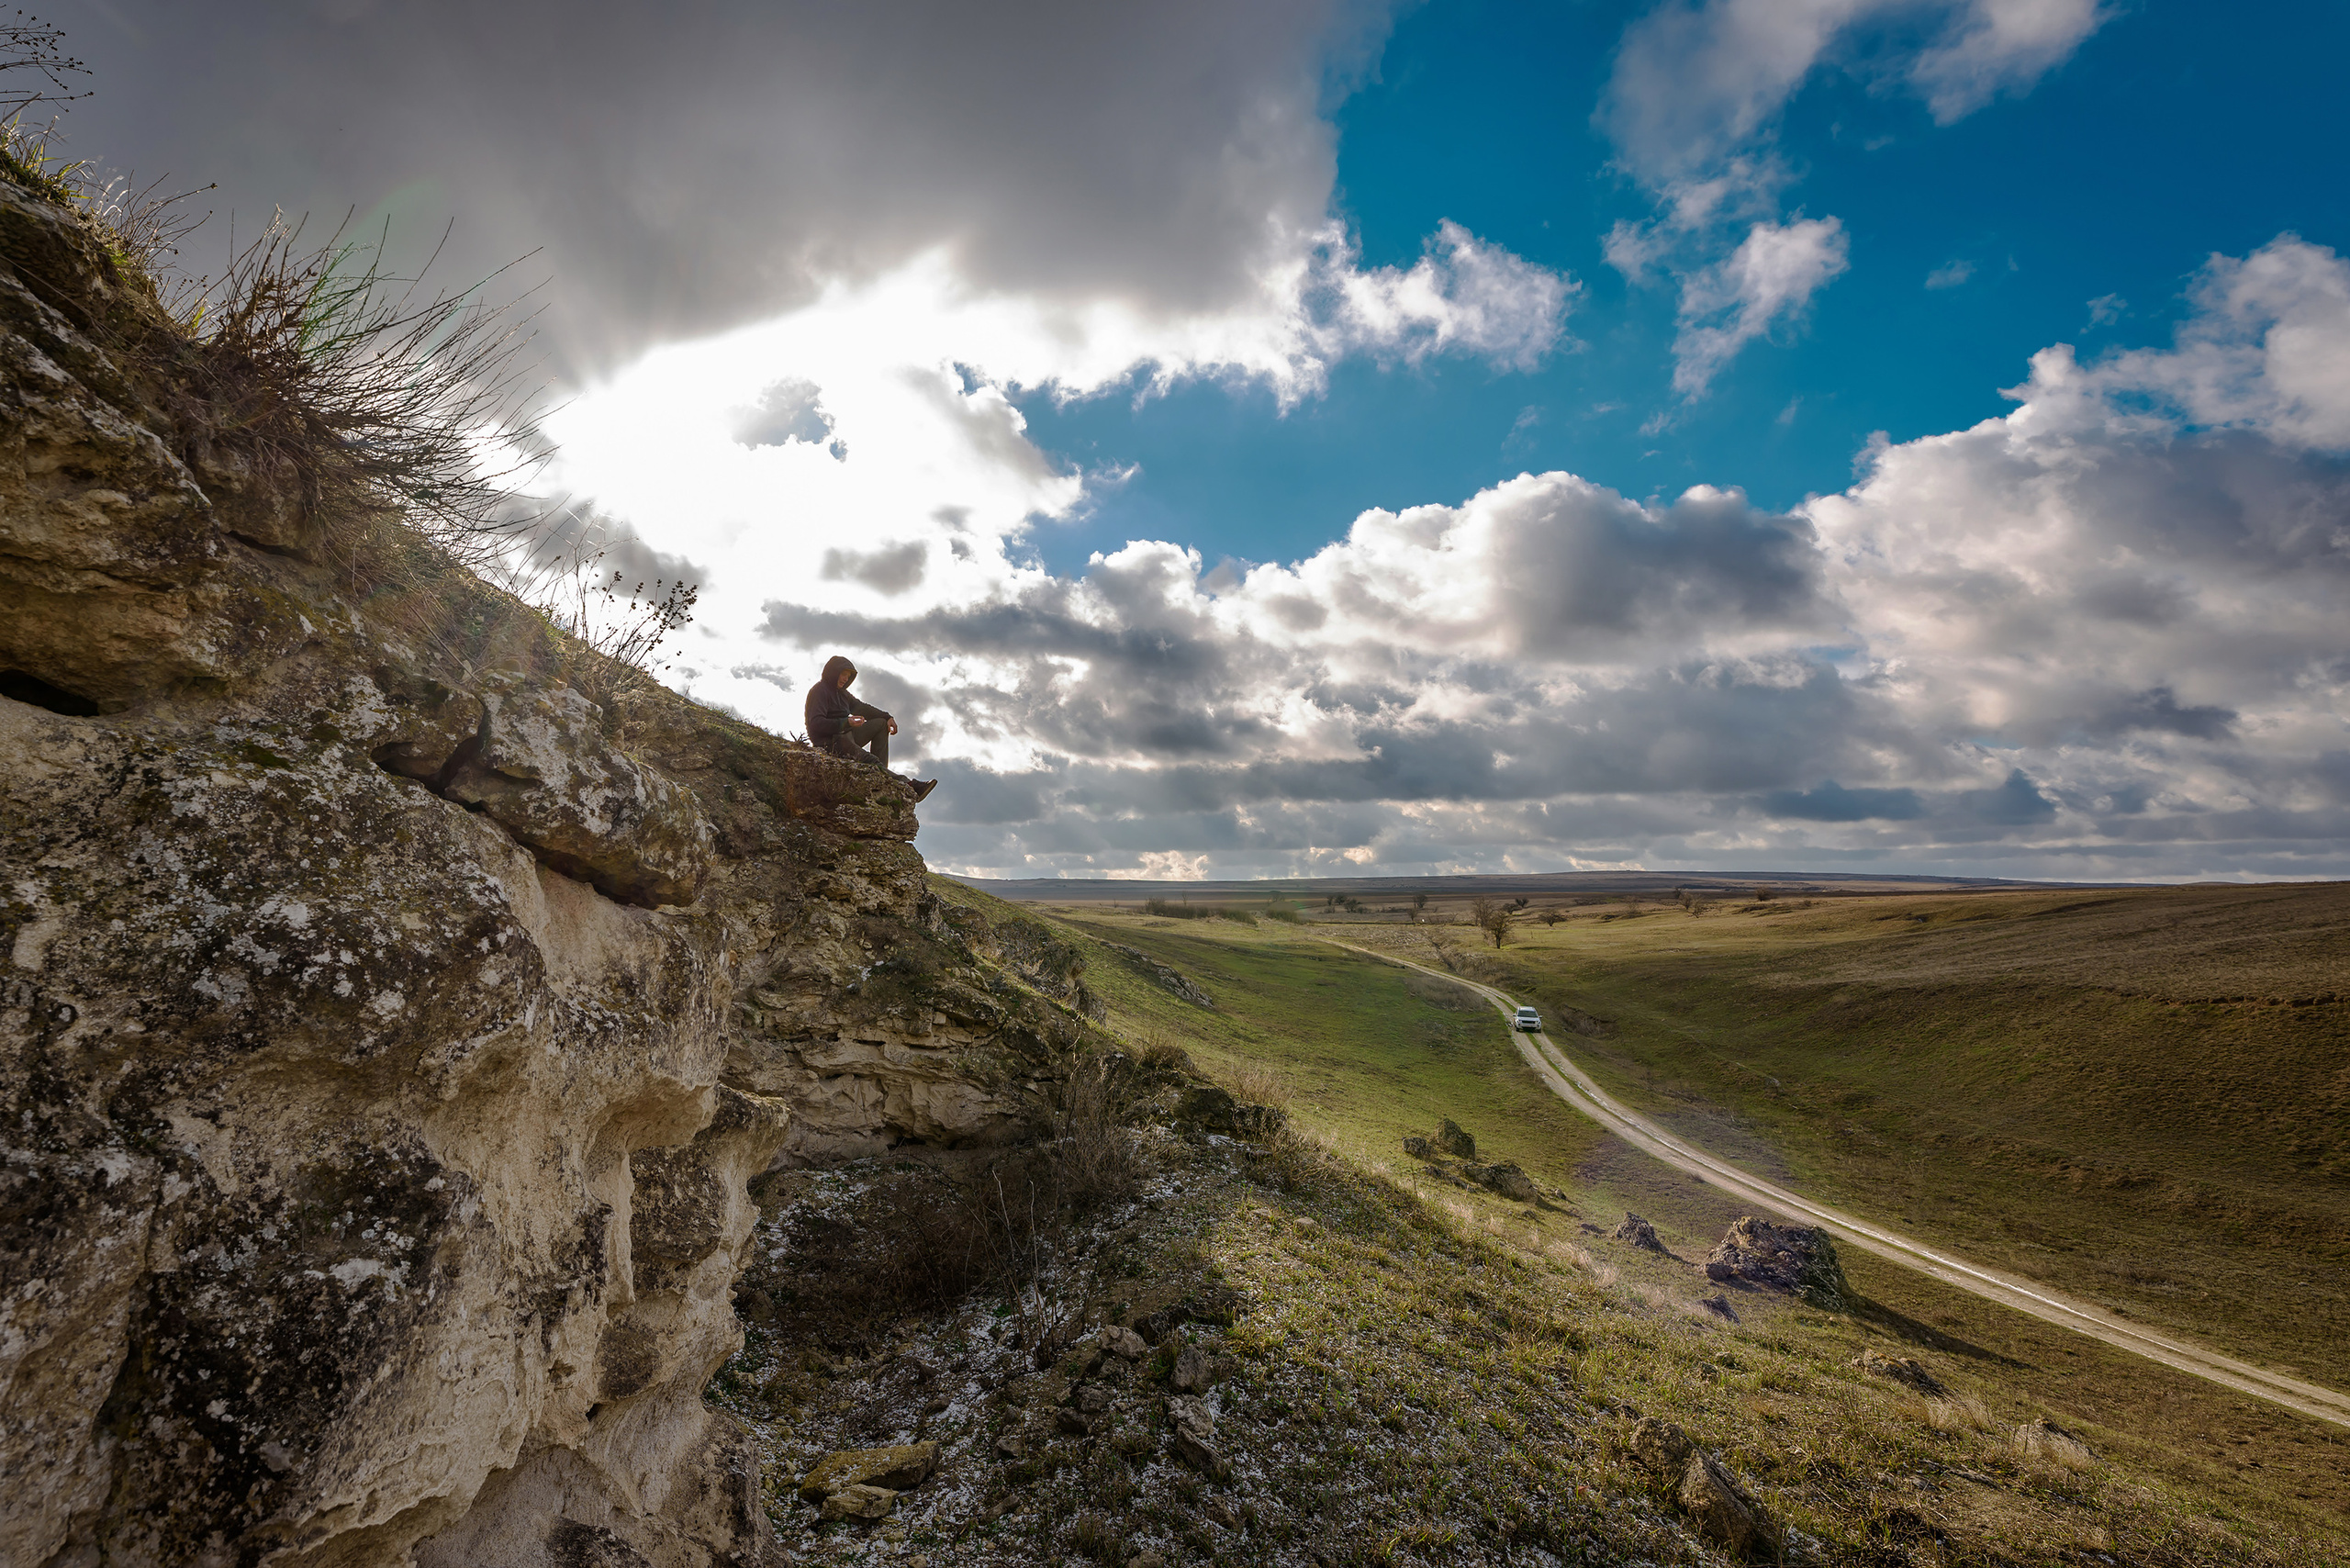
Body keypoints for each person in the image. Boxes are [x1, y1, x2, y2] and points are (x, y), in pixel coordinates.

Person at [804, 655, 938, 802]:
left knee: (881, 724)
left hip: (848, 736)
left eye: (848, 677)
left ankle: (881, 776)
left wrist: (887, 717)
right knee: (869, 759)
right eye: (843, 675)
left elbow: (861, 707)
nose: (845, 679)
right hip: (831, 742)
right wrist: (846, 722)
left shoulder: (842, 694)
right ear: (833, 672)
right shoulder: (819, 691)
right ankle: (909, 785)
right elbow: (816, 723)